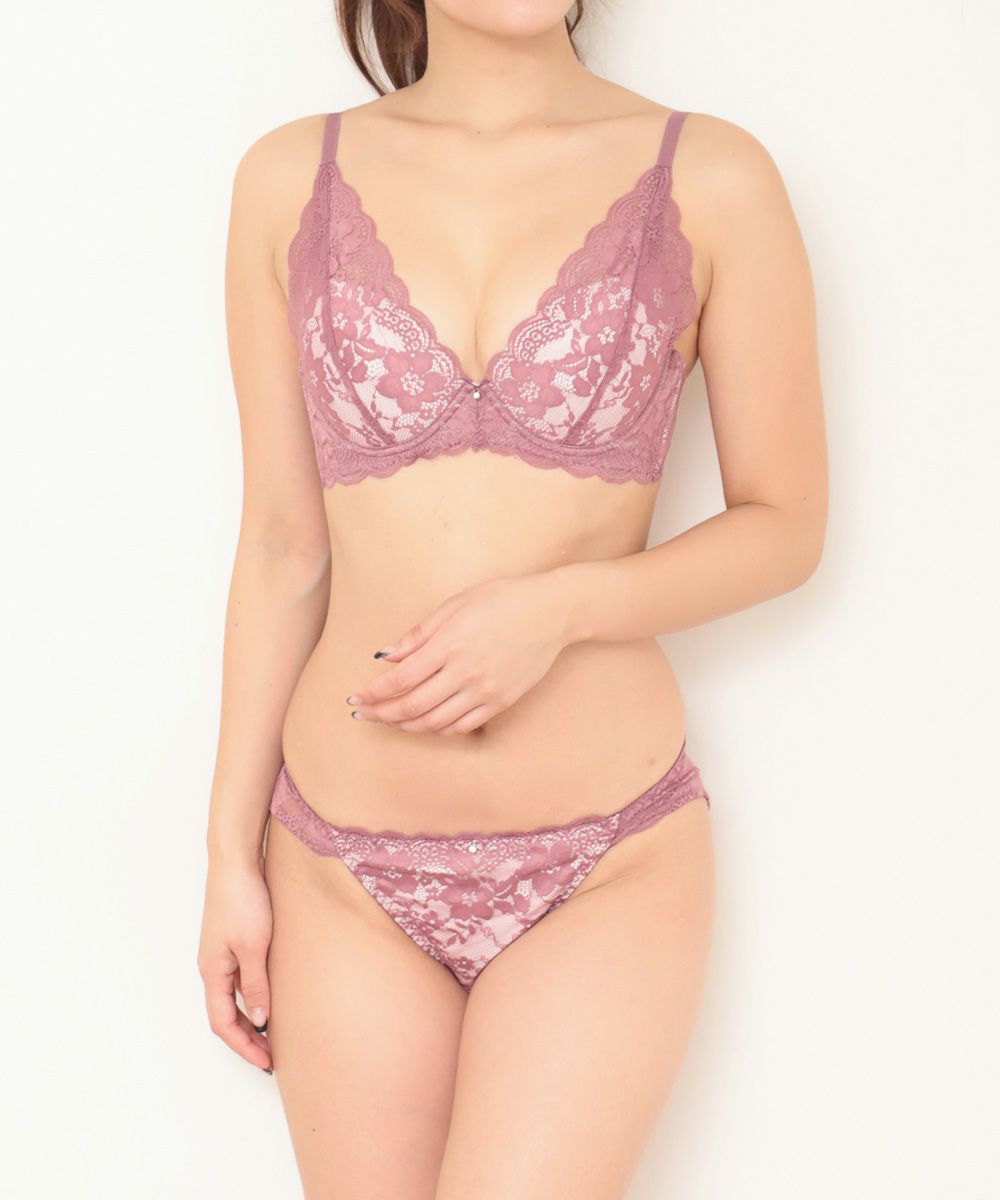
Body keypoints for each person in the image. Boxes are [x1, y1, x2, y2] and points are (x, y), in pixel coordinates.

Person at [197, 2, 827, 1196]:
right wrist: (228, 853)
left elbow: (784, 525)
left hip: (603, 863)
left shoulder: (712, 175)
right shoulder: (287, 179)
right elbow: (282, 543)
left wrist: (557, 610)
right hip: (338, 868)